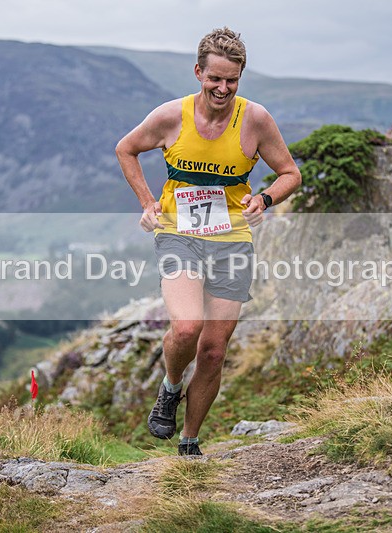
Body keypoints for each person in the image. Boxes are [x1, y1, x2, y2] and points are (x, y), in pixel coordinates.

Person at [115, 27, 301, 456]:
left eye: (231, 80)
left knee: (214, 351)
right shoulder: (171, 116)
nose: (222, 88)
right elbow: (126, 149)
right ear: (198, 72)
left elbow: (291, 173)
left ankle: (189, 442)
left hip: (231, 240)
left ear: (240, 77)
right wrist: (147, 203)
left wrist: (264, 198)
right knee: (187, 327)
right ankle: (170, 386)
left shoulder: (255, 120)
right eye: (214, 78)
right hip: (179, 234)